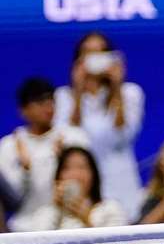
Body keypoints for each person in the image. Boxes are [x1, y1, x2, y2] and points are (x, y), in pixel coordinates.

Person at [54, 32, 144, 221]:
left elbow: (124, 135)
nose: (94, 59)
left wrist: (117, 87)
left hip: (121, 184)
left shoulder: (130, 93)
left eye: (100, 52)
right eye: (88, 53)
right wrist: (78, 91)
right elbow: (69, 138)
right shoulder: (64, 96)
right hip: (82, 187)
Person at [0, 78, 89, 232]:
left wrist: (63, 162)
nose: (48, 107)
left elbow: (87, 186)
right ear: (24, 110)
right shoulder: (8, 146)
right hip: (23, 231)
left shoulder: (73, 137)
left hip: (67, 227)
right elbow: (13, 201)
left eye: (51, 100)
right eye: (40, 102)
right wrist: (25, 170)